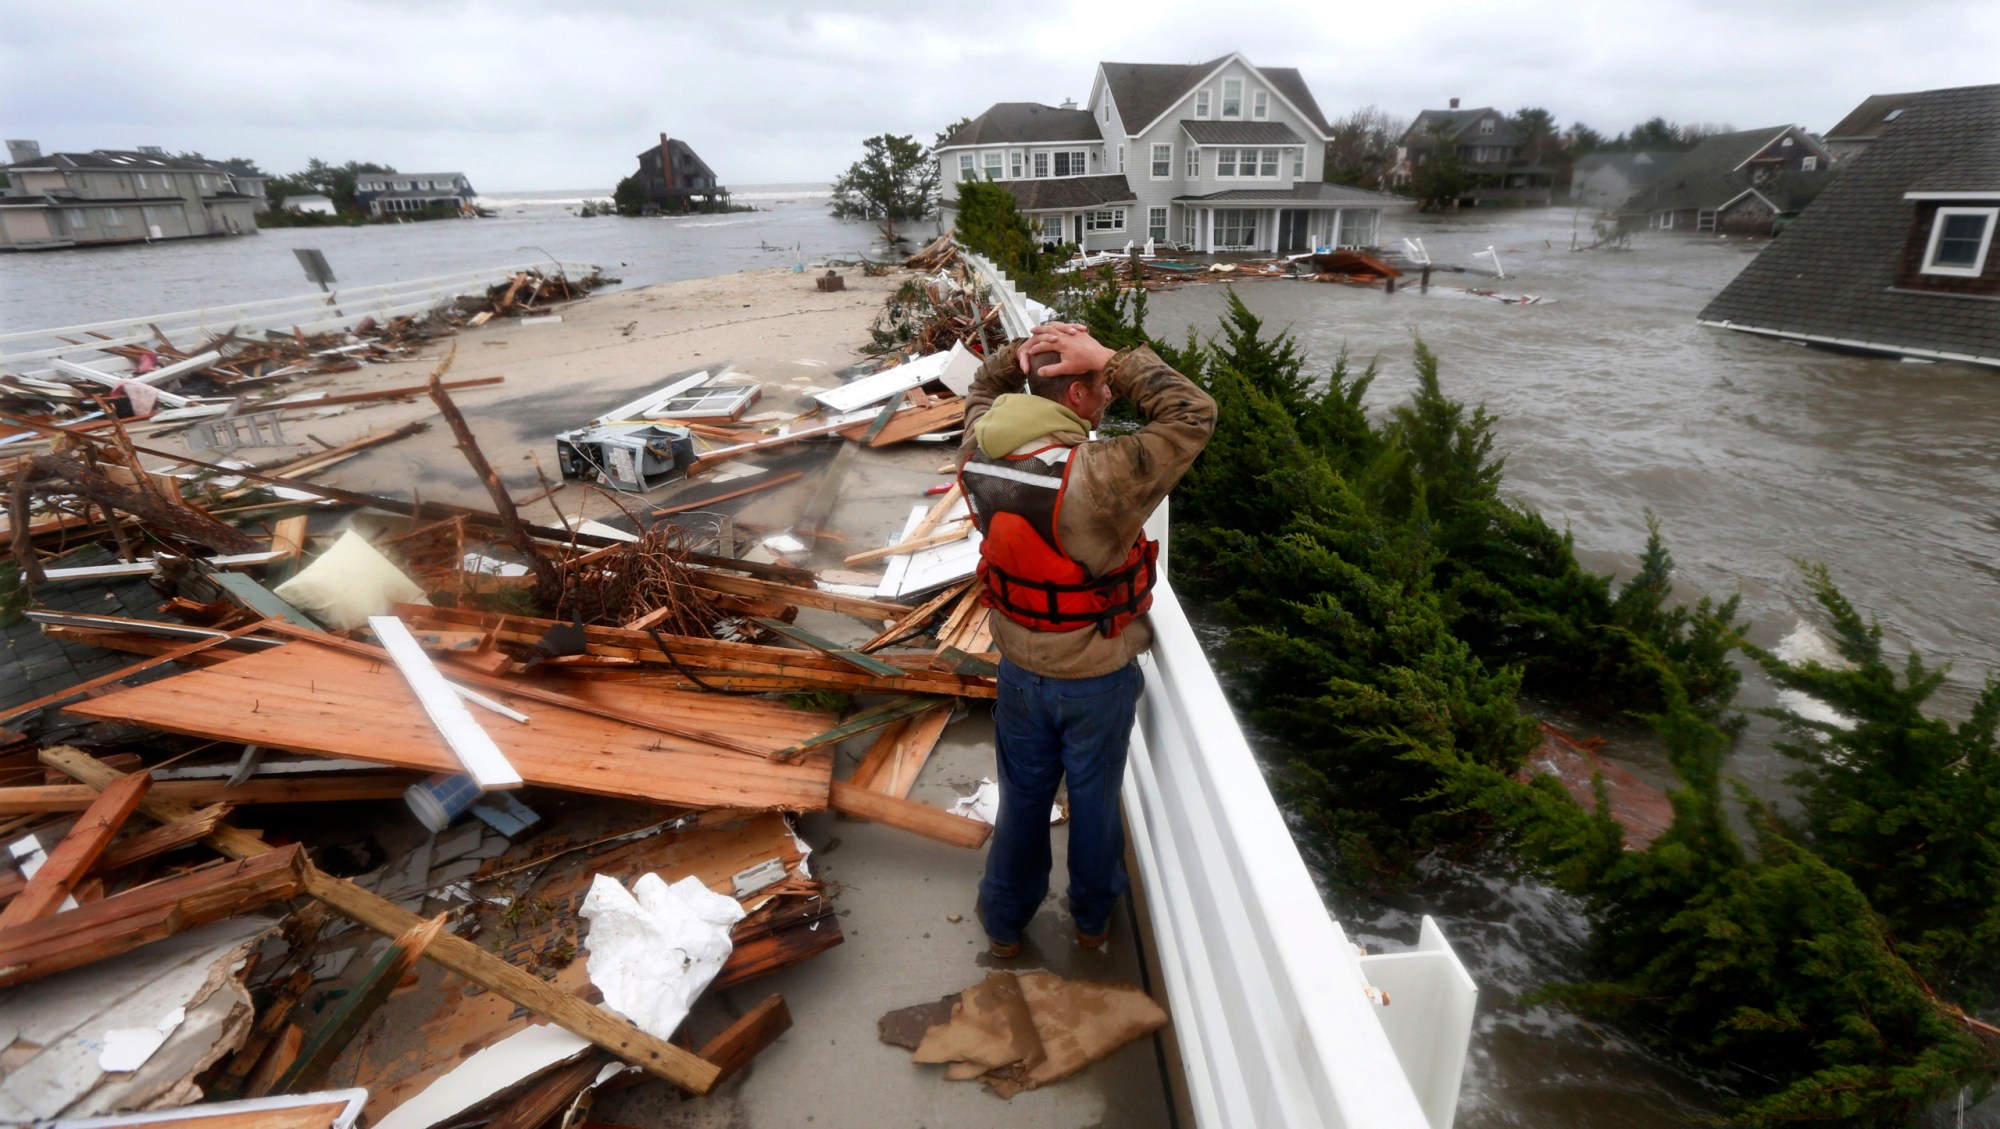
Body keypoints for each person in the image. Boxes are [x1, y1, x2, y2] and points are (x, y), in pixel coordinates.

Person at [957, 321, 1216, 957]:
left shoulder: (976, 446)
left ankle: (1004, 924)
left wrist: (1021, 360)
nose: (1107, 398)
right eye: (1100, 387)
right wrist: (1110, 356)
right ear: (1074, 397)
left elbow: (981, 392)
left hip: (1017, 666)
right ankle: (1092, 922)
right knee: (1095, 807)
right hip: (1095, 677)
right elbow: (1192, 412)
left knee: (1022, 803)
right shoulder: (1101, 473)